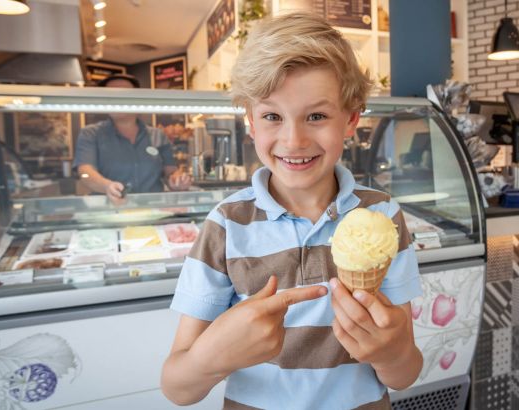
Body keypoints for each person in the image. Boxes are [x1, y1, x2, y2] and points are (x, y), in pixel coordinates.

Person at [161, 12, 422, 409]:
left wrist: (392, 353)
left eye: (316, 116)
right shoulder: (228, 225)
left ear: (351, 118)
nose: (293, 139)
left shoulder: (382, 214)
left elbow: (405, 375)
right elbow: (177, 388)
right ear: (250, 121)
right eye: (272, 117)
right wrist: (210, 357)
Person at [73, 74, 191, 203]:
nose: (116, 100)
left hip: (153, 212)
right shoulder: (90, 134)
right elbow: (85, 172)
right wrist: (107, 186)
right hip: (110, 214)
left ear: (137, 99)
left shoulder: (158, 135)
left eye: (124, 94)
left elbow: (170, 172)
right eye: (109, 96)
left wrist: (177, 180)